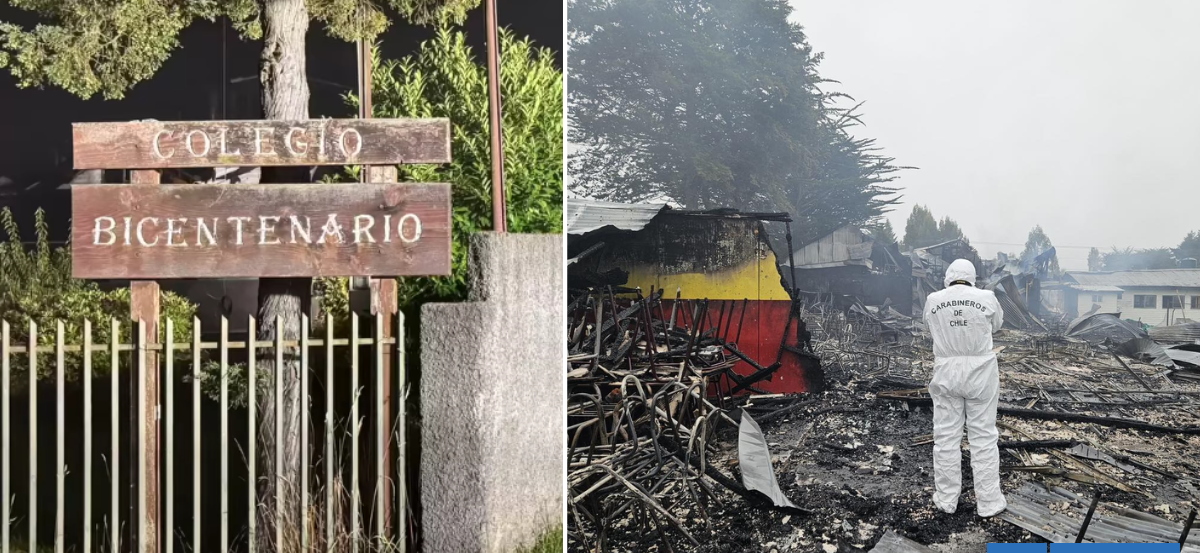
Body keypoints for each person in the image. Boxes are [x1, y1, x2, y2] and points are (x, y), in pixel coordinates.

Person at [922, 259, 1006, 517]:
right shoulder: (987, 297)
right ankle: (989, 503)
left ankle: (947, 499)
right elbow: (997, 325)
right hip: (981, 371)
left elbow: (928, 326)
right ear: (972, 277)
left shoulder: (933, 299)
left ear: (948, 277)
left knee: (946, 437)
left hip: (946, 370)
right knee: (984, 437)